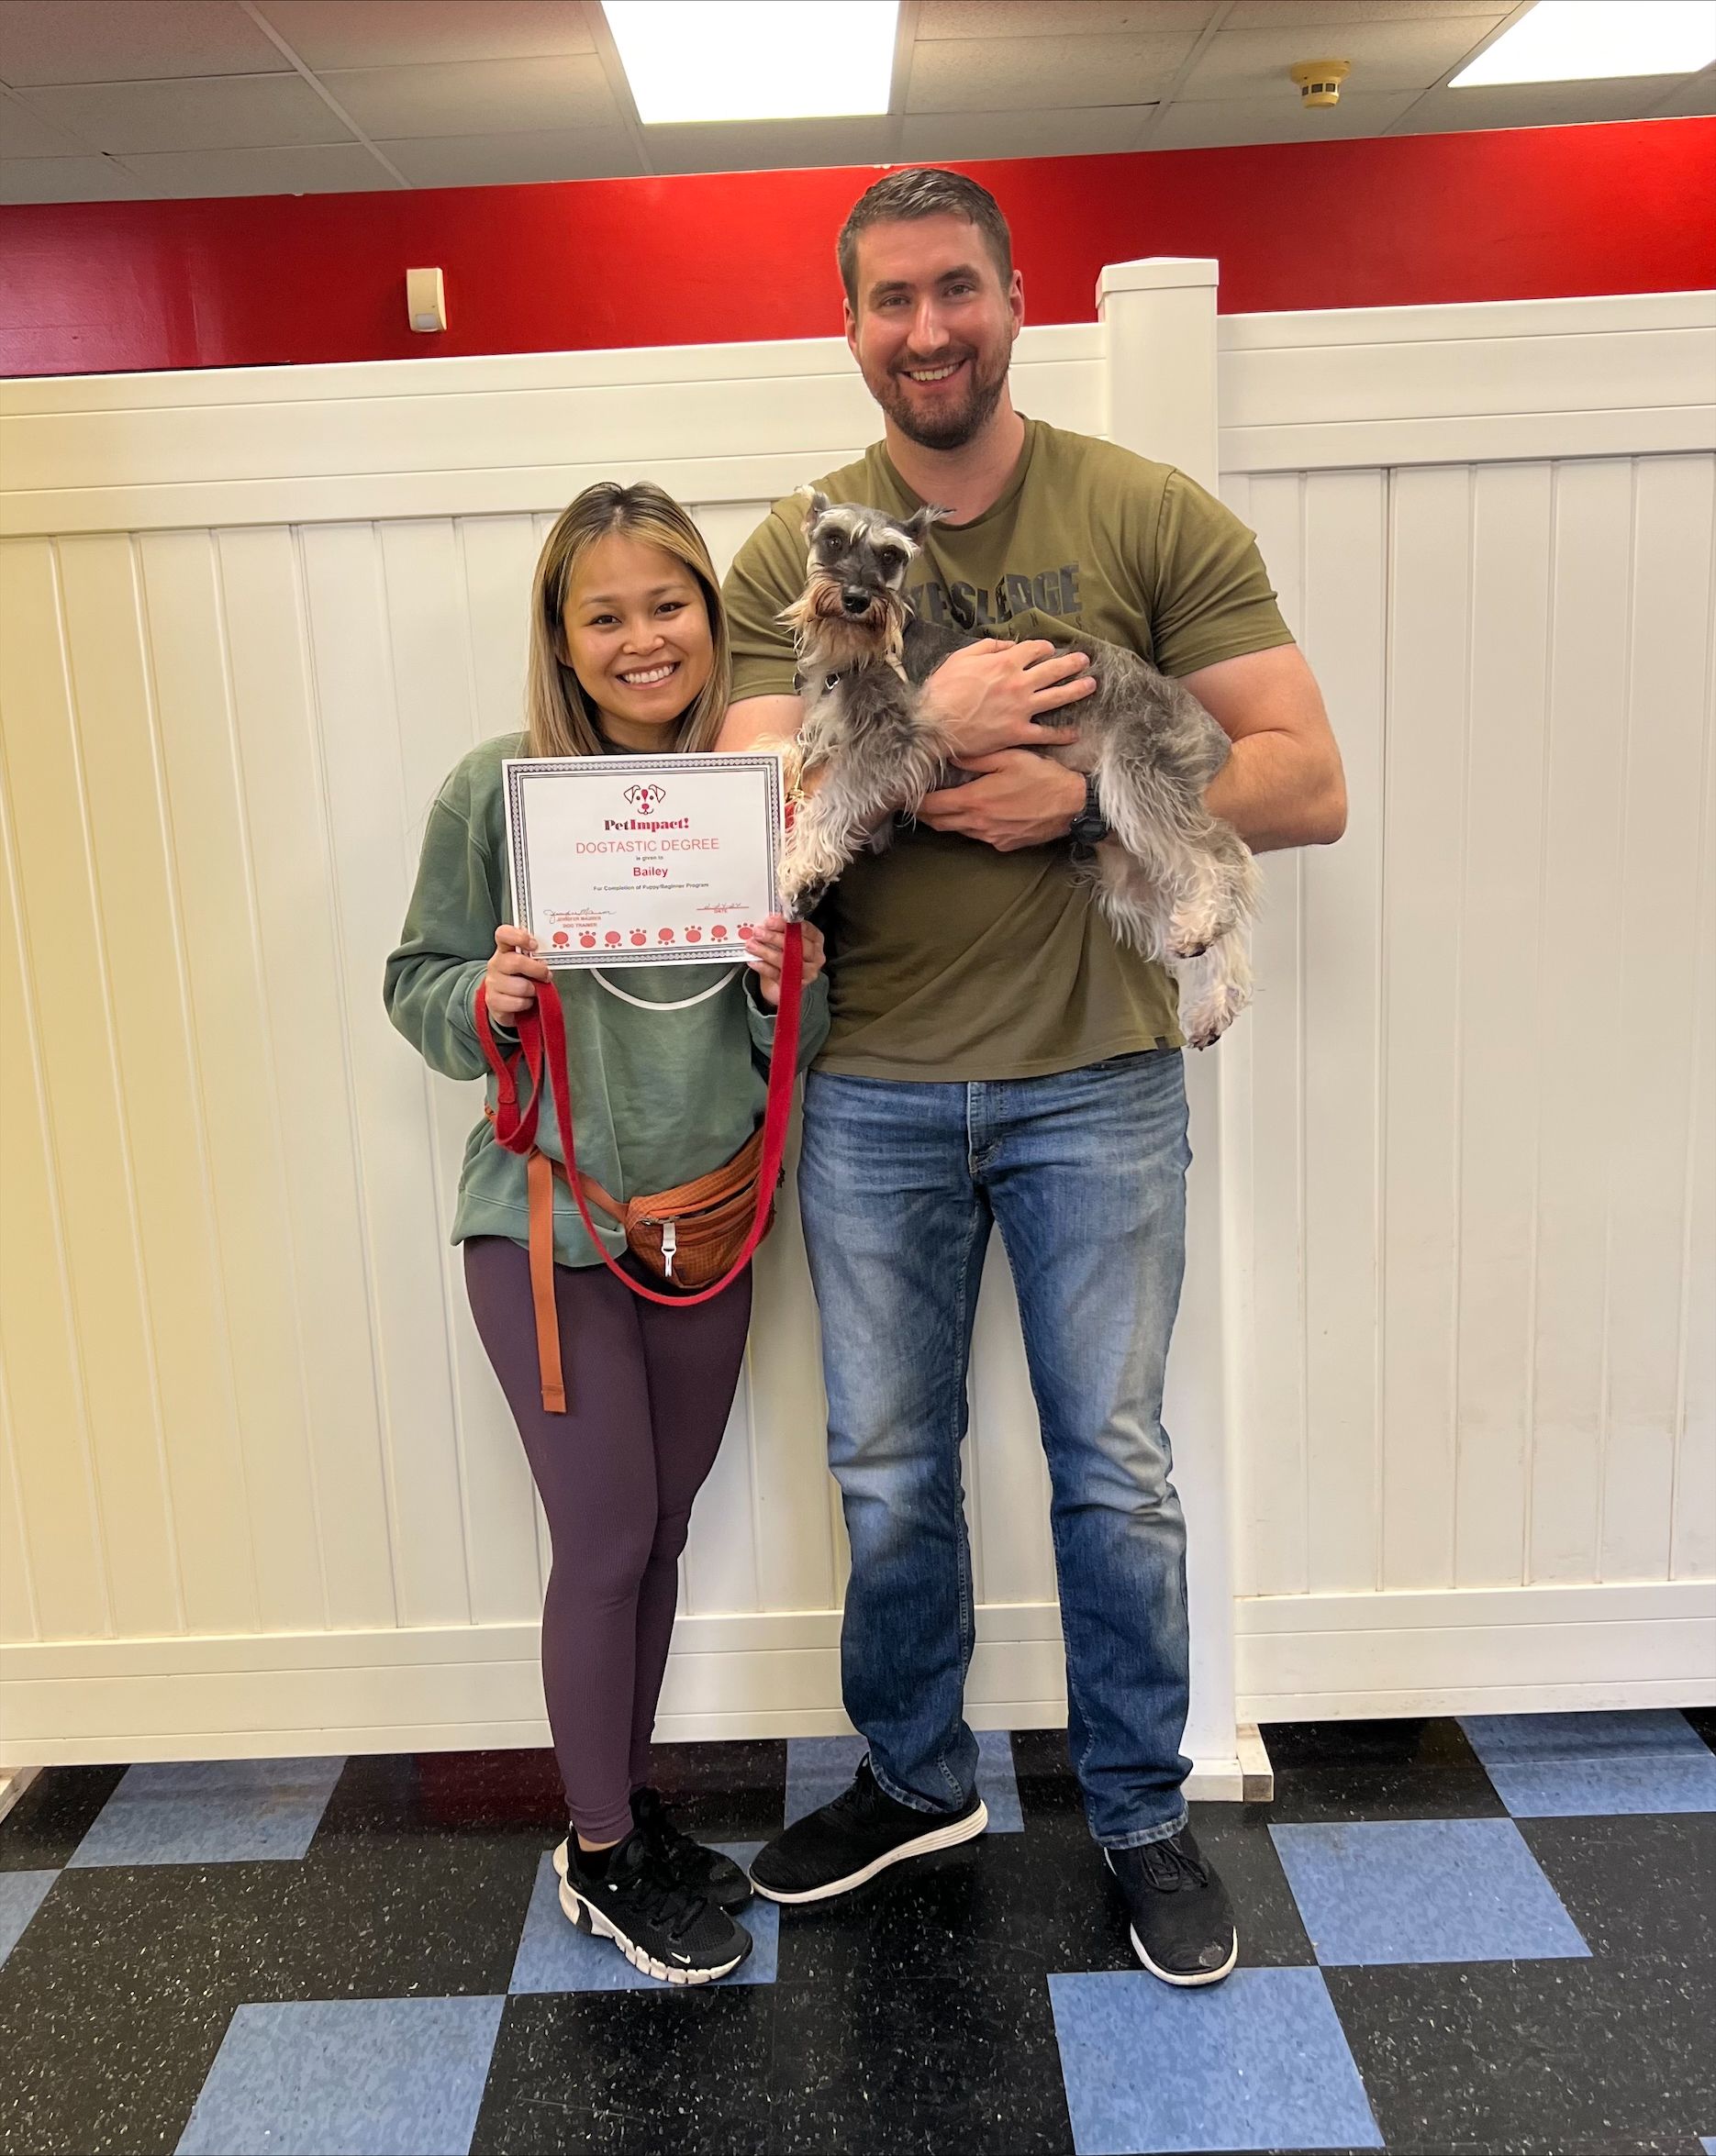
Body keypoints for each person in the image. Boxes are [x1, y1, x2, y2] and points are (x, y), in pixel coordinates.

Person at [719, 169, 1344, 1985]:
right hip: (872, 1091)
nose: (926, 329)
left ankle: (1139, 1813)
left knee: (1113, 1465)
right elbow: (759, 819)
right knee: (890, 1466)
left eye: (954, 290)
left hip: (1096, 1078)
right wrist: (946, 735)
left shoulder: (1140, 509)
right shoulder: (797, 553)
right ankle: (914, 1779)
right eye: (888, 300)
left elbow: (1301, 777)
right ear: (846, 328)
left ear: (1013, 299)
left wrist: (1083, 795)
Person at [384, 481, 829, 1984]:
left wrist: (786, 984)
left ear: (712, 617)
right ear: (562, 643)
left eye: (669, 604)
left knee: (664, 1531)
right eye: (605, 615)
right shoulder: (492, 790)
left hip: (705, 1226)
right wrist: (482, 1000)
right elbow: (415, 986)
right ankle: (593, 1843)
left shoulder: (760, 793)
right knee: (607, 1533)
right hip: (540, 1228)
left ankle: (623, 1810)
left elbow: (802, 1034)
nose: (644, 639)